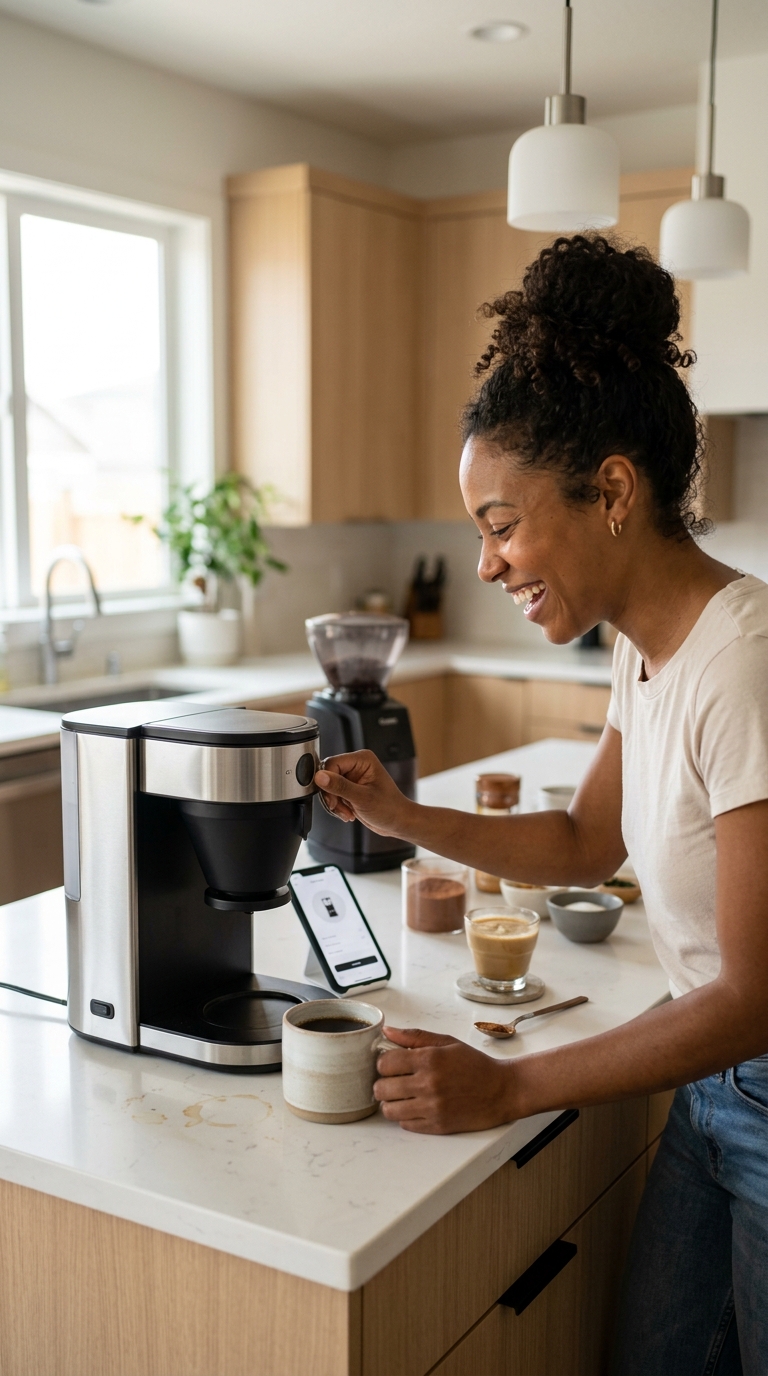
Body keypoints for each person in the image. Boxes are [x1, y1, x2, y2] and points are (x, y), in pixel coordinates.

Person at [314, 235, 768, 1375]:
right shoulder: (646, 651)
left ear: (612, 490)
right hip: (710, 1093)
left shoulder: (743, 664)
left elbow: (758, 996)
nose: (485, 563)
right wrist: (404, 816)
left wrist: (509, 1082)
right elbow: (581, 840)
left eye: (501, 523)